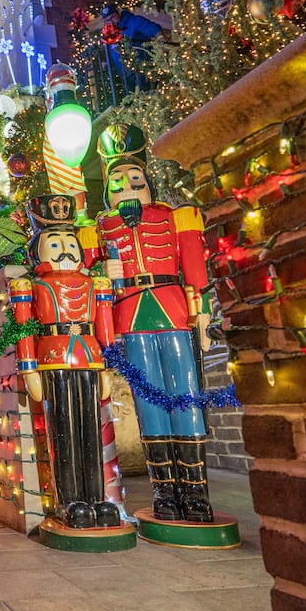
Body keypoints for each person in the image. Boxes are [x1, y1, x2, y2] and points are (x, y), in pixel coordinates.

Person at [79, 124, 215, 523]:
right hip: (130, 315)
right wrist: (103, 268)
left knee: (185, 396)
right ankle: (164, 492)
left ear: (148, 180)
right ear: (107, 187)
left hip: (172, 309)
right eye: (118, 180)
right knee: (149, 402)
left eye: (135, 178)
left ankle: (196, 492)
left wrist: (202, 316)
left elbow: (195, 268)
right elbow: (90, 278)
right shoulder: (98, 227)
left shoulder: (178, 216)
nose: (128, 186)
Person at [11, 194, 120, 530]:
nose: (64, 249)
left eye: (69, 241)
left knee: (90, 428)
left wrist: (109, 364)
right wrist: (28, 368)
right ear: (37, 249)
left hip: (89, 356)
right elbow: (24, 329)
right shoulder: (31, 286)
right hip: (52, 358)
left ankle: (97, 497)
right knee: (63, 431)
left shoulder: (95, 283)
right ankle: (69, 499)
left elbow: (105, 324)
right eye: (53, 242)